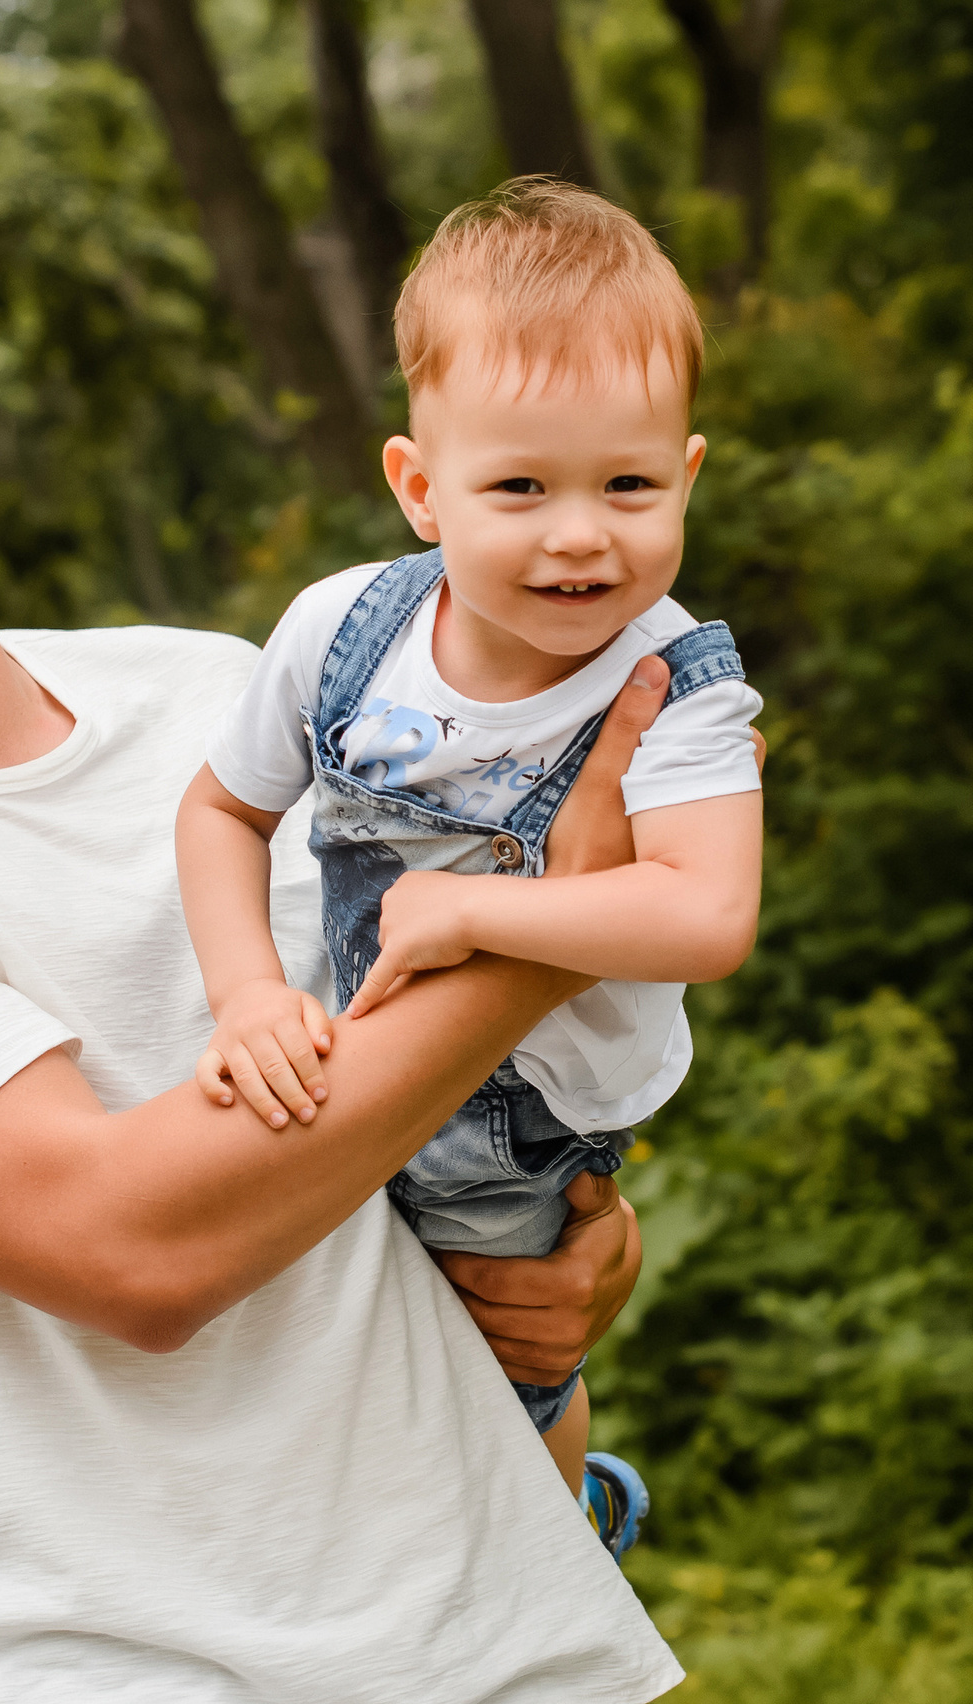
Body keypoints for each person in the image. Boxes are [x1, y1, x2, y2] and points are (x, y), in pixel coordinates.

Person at [0, 183, 686, 1702]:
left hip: (515, 1644)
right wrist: (546, 931)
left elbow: (422, 1099)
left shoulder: (206, 694)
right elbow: (138, 1247)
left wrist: (550, 1259)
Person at [178, 178, 764, 1546]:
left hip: (533, 1103)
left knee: (504, 1354)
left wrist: (483, 912)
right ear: (420, 488)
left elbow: (707, 912)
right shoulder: (341, 630)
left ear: (684, 476)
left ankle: (547, 1568)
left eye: (627, 485)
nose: (579, 533)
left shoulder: (678, 690)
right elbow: (221, 813)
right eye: (520, 487)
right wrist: (250, 995)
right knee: (329, 1337)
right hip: (354, 1045)